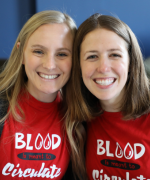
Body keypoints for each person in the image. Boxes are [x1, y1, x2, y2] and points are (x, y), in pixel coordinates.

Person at [66, 13, 150, 179]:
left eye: (114, 55)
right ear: (79, 65)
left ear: (131, 62)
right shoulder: (75, 120)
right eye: (92, 56)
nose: (103, 68)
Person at [0, 10, 77, 179]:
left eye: (62, 54)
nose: (49, 65)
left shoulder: (78, 120)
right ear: (21, 54)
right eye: (39, 51)